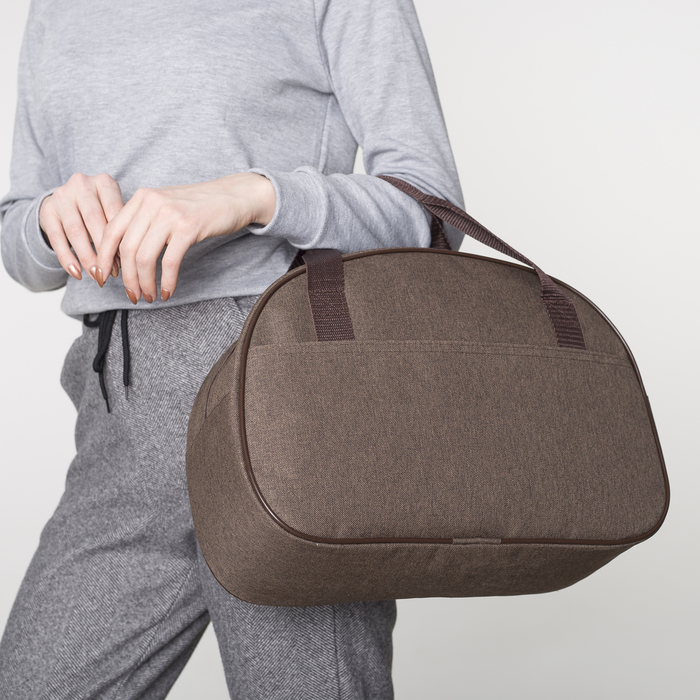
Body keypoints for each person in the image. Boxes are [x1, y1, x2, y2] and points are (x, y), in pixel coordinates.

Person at [0, 0, 464, 697]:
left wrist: (255, 196)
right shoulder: (56, 9)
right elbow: (19, 235)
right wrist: (46, 220)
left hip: (283, 396)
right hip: (119, 407)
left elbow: (433, 211)